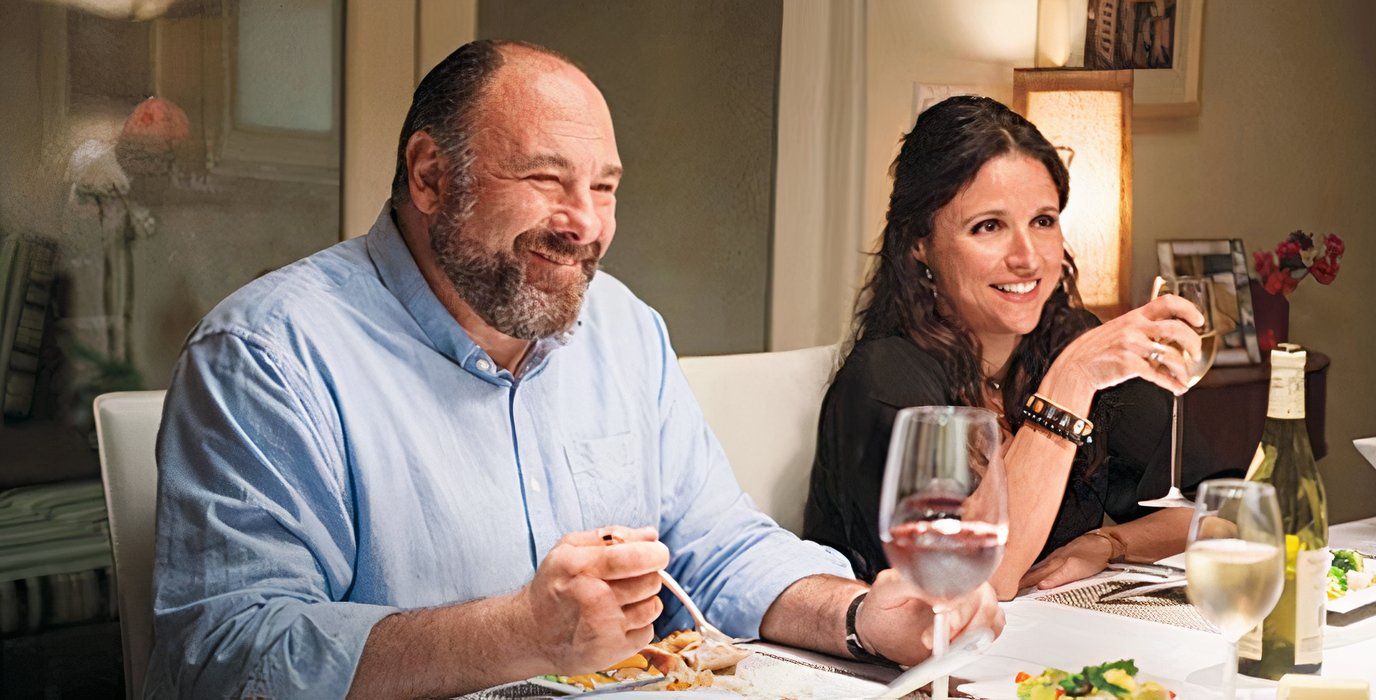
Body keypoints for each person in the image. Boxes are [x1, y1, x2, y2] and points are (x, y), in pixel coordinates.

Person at [146, 41, 1002, 698]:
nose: (585, 224)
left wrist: (858, 615)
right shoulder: (267, 355)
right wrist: (518, 633)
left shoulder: (623, 328)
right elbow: (225, 657)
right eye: (547, 180)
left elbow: (713, 545)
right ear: (431, 176)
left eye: (606, 188)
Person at [803, 95, 1214, 600]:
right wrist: (1071, 381)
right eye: (988, 226)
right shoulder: (885, 378)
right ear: (919, 243)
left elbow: (1219, 515)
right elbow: (971, 583)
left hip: (1035, 651)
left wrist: (1109, 543)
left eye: (1043, 220)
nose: (1027, 258)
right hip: (900, 668)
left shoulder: (1068, 339)